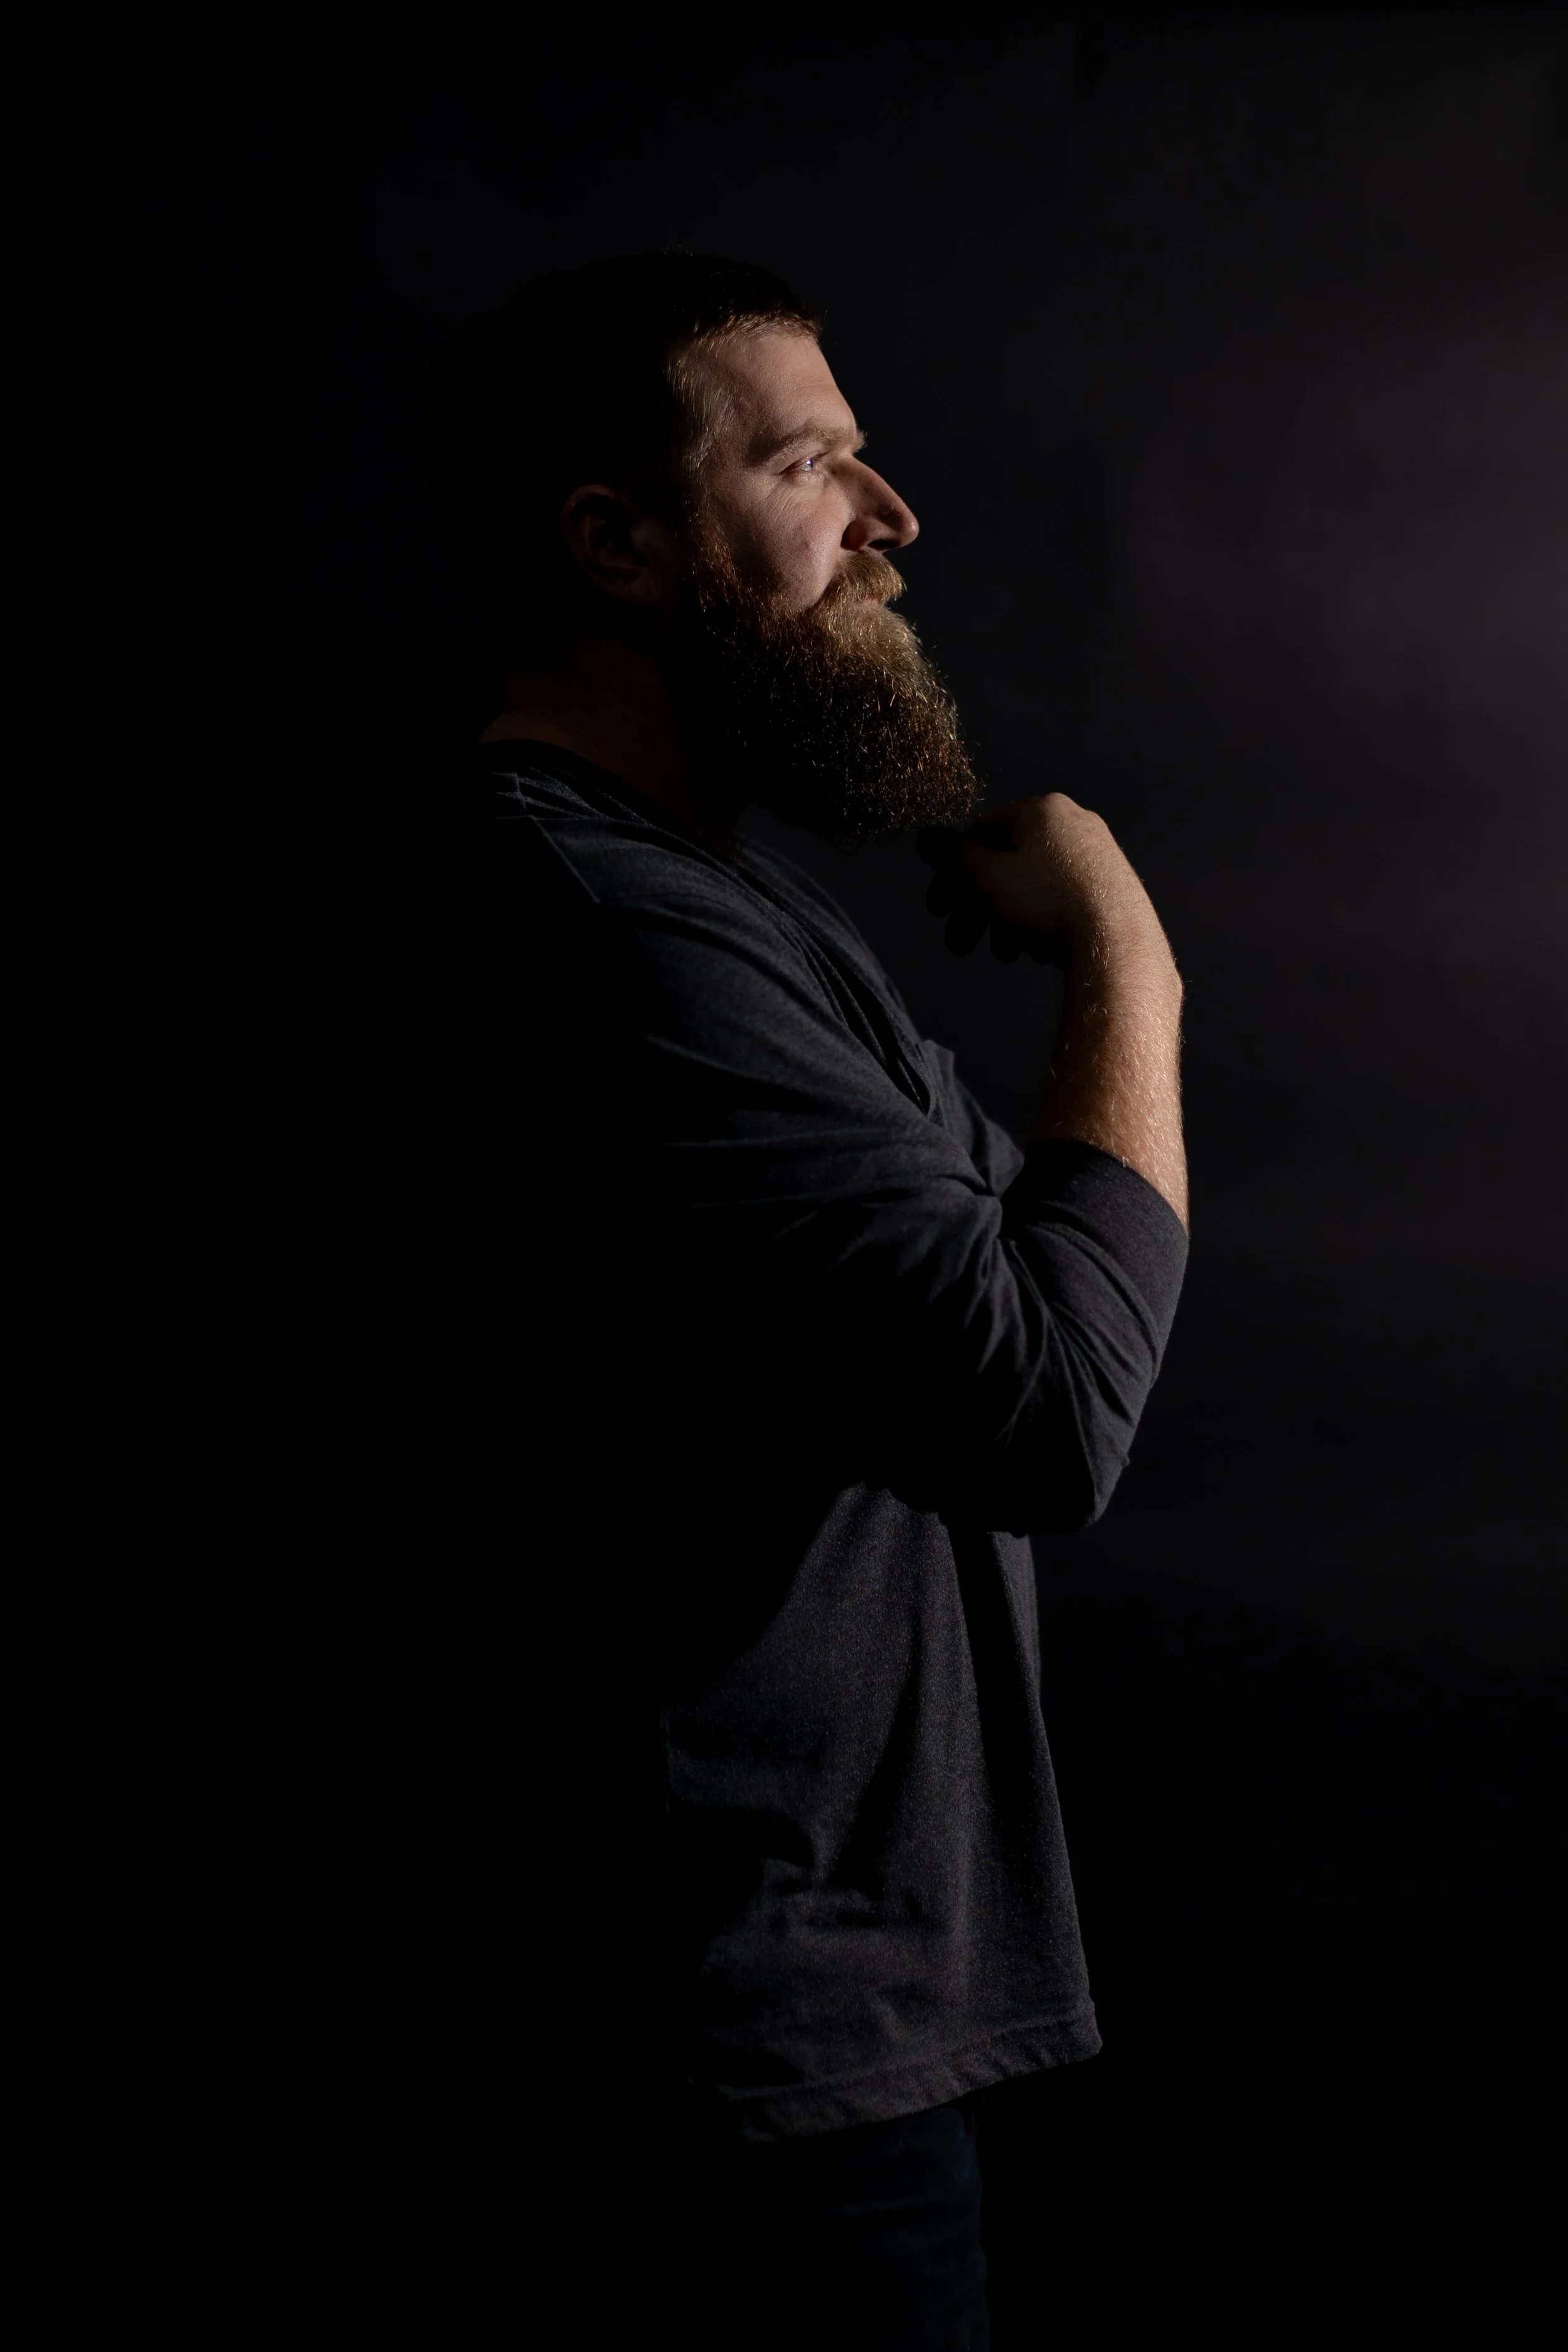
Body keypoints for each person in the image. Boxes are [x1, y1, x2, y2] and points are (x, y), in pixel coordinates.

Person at [379, 250, 1187, 2349]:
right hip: (729, 2086)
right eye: (812, 459)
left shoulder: (717, 900)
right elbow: (1044, 1403)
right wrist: (1130, 963)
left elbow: (1016, 1300)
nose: (889, 516)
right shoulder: (606, 932)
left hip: (812, 2040)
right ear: (620, 542)